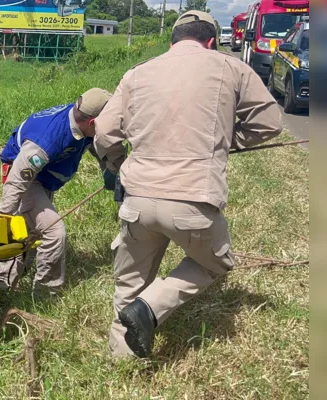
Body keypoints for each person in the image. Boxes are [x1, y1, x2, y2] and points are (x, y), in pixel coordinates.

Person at [93, 10, 283, 358]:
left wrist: (121, 165)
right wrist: (225, 141)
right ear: (211, 41)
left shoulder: (137, 73)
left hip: (136, 199)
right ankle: (150, 308)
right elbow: (270, 123)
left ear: (172, 40)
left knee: (130, 281)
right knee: (215, 263)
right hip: (193, 199)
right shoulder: (231, 67)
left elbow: (104, 133)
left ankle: (120, 359)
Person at [0, 88, 114, 295]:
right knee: (54, 232)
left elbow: (97, 145)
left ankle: (0, 286)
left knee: (29, 233)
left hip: (44, 178)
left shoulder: (81, 120)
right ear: (92, 122)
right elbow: (17, 180)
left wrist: (111, 170)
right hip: (27, 180)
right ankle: (45, 294)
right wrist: (3, 218)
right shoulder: (47, 139)